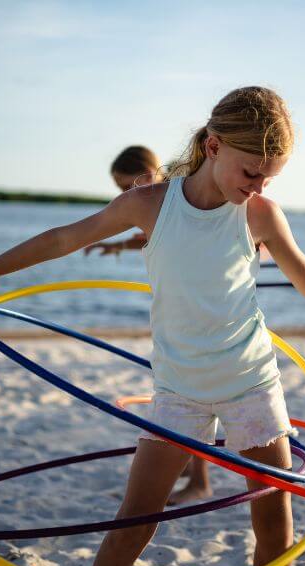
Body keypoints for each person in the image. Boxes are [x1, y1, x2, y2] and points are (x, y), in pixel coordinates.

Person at [0, 86, 305, 566]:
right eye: (251, 172)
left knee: (274, 522)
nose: (258, 186)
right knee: (133, 524)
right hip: (179, 388)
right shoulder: (148, 205)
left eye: (269, 177)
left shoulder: (259, 214)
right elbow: (63, 238)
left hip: (250, 382)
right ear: (213, 147)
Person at [84, 144, 214, 506]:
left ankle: (200, 481)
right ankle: (189, 467)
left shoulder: (182, 197)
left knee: (196, 395)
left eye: (129, 186)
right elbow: (149, 235)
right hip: (179, 315)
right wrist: (116, 247)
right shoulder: (165, 198)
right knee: (183, 391)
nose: (127, 196)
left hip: (199, 315)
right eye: (121, 190)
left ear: (149, 172)